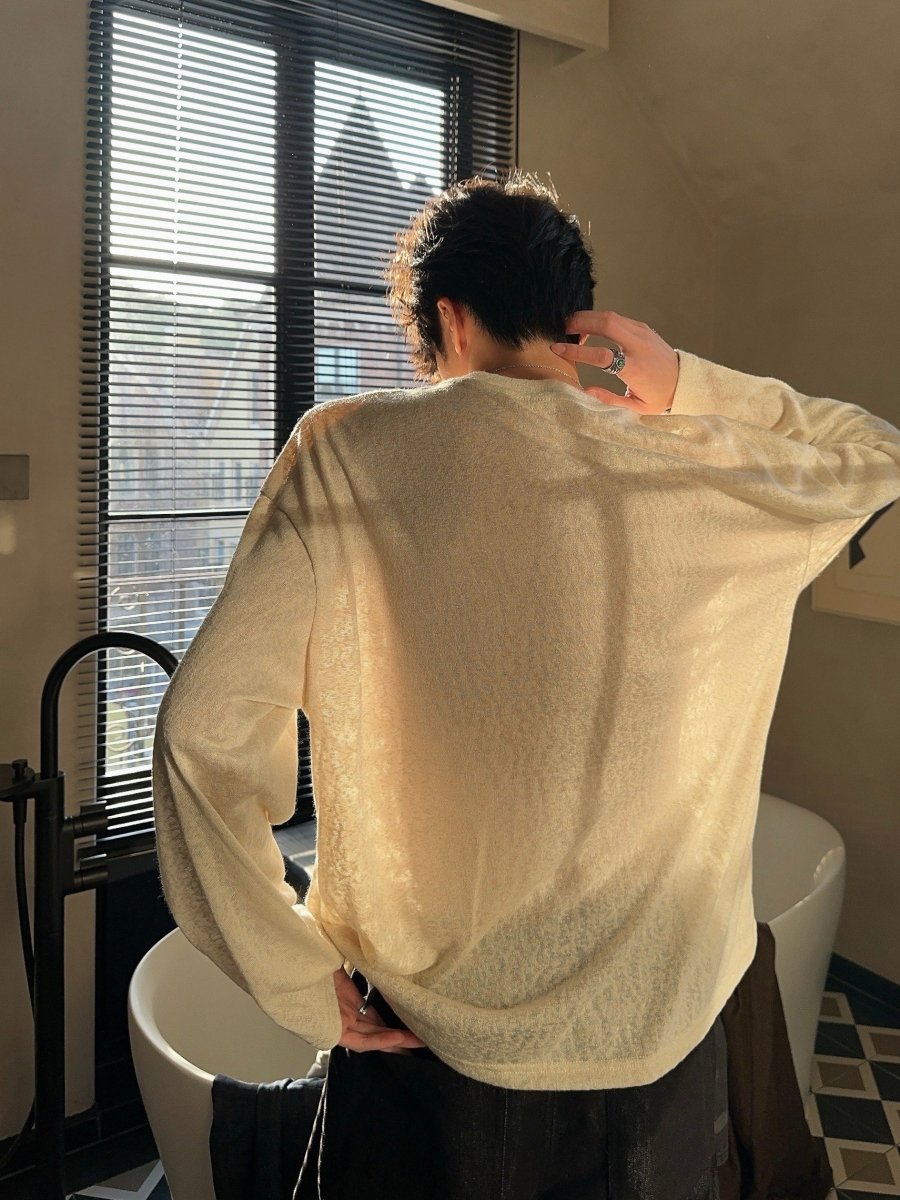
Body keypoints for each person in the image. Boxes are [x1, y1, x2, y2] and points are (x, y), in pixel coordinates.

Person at [152, 169, 900, 1198]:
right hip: (668, 1044)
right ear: (572, 319)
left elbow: (199, 732)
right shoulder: (704, 466)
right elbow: (876, 454)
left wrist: (291, 973)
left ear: (449, 319)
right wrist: (686, 382)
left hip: (436, 1060)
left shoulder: (348, 454)